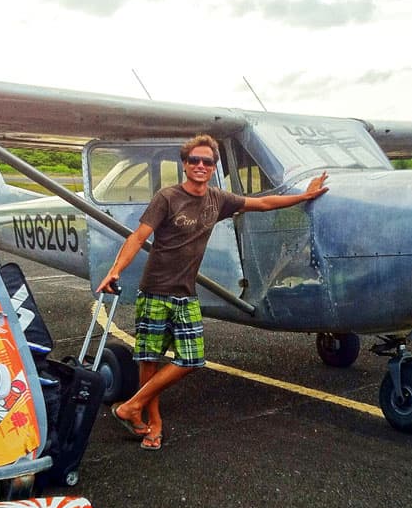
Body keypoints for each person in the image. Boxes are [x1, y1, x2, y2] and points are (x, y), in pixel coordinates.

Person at [95, 133, 329, 451]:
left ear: (213, 166)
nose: (201, 166)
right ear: (185, 164)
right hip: (155, 291)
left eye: (208, 161)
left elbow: (262, 203)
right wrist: (115, 270)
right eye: (195, 160)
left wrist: (303, 197)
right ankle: (153, 424)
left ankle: (131, 406)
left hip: (185, 292)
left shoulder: (218, 199)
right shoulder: (167, 197)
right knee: (149, 360)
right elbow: (138, 237)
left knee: (191, 359)